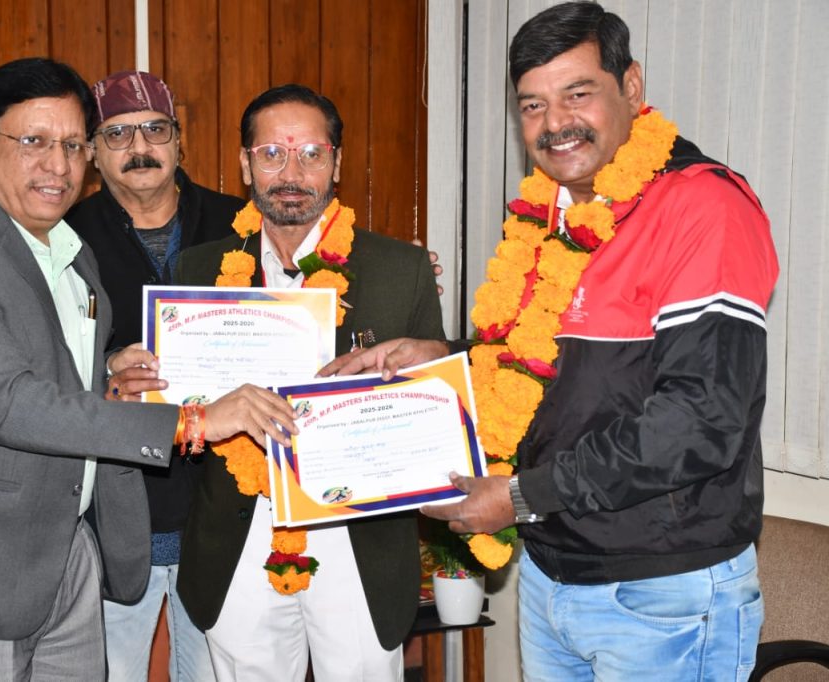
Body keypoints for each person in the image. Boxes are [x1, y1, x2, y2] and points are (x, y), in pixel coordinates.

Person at [325, 3, 779, 680]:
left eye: (577, 94)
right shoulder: (555, 215)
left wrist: (520, 496)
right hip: (552, 573)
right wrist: (446, 357)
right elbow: (554, 370)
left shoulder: (703, 208)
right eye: (532, 105)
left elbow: (700, 419)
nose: (555, 123)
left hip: (662, 591)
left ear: (631, 87)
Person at [0, 57, 296, 681]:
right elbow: (9, 403)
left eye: (71, 145)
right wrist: (194, 420)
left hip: (69, 560)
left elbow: (65, 386)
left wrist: (110, 377)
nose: (58, 165)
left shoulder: (71, 256)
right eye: (34, 142)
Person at [172, 84, 445, 680]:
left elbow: (437, 402)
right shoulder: (199, 270)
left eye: (311, 154)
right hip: (239, 530)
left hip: (359, 535)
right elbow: (181, 410)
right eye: (272, 154)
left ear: (337, 164)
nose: (291, 174)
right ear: (245, 164)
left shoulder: (402, 270)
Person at [66, 70, 244, 682]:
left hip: (225, 506)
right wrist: (104, 367)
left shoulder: (241, 223)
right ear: (92, 152)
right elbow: (32, 357)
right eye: (117, 134)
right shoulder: (64, 237)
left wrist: (385, 279)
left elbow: (311, 304)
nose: (139, 146)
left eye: (155, 129)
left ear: (179, 140)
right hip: (114, 508)